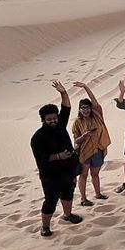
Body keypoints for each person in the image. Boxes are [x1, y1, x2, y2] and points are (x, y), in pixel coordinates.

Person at [30, 81, 84, 237]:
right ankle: (45, 227)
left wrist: (63, 93)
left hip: (68, 169)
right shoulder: (37, 138)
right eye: (49, 119)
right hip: (50, 175)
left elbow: (66, 108)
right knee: (50, 200)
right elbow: (41, 159)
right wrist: (58, 156)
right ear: (43, 120)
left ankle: (67, 215)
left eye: (55, 118)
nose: (53, 120)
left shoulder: (60, 126)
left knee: (68, 193)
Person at [71, 81, 111, 206]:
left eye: (87, 107)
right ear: (79, 109)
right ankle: (83, 199)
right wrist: (83, 136)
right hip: (84, 152)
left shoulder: (97, 116)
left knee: (95, 174)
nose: (85, 110)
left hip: (98, 150)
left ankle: (98, 194)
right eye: (82, 108)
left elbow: (94, 101)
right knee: (83, 175)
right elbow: (75, 141)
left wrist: (85, 87)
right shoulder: (77, 122)